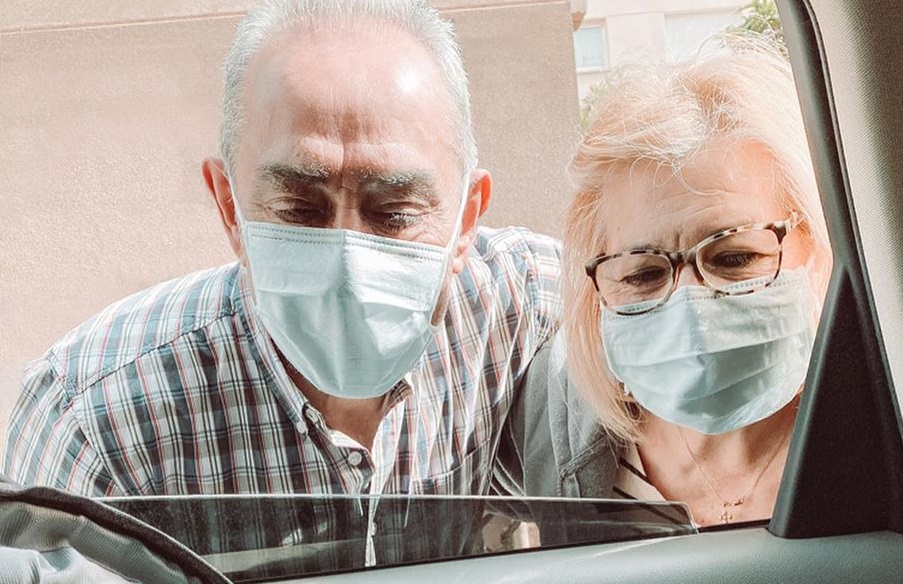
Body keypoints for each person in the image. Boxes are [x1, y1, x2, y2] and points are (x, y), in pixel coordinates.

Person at [3, 0, 561, 498]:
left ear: (466, 219)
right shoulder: (95, 425)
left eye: (394, 214)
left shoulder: (523, 303)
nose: (348, 262)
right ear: (230, 207)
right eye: (299, 210)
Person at [498, 39, 832, 527]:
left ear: (817, 247)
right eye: (643, 273)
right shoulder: (556, 413)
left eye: (735, 256)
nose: (691, 309)